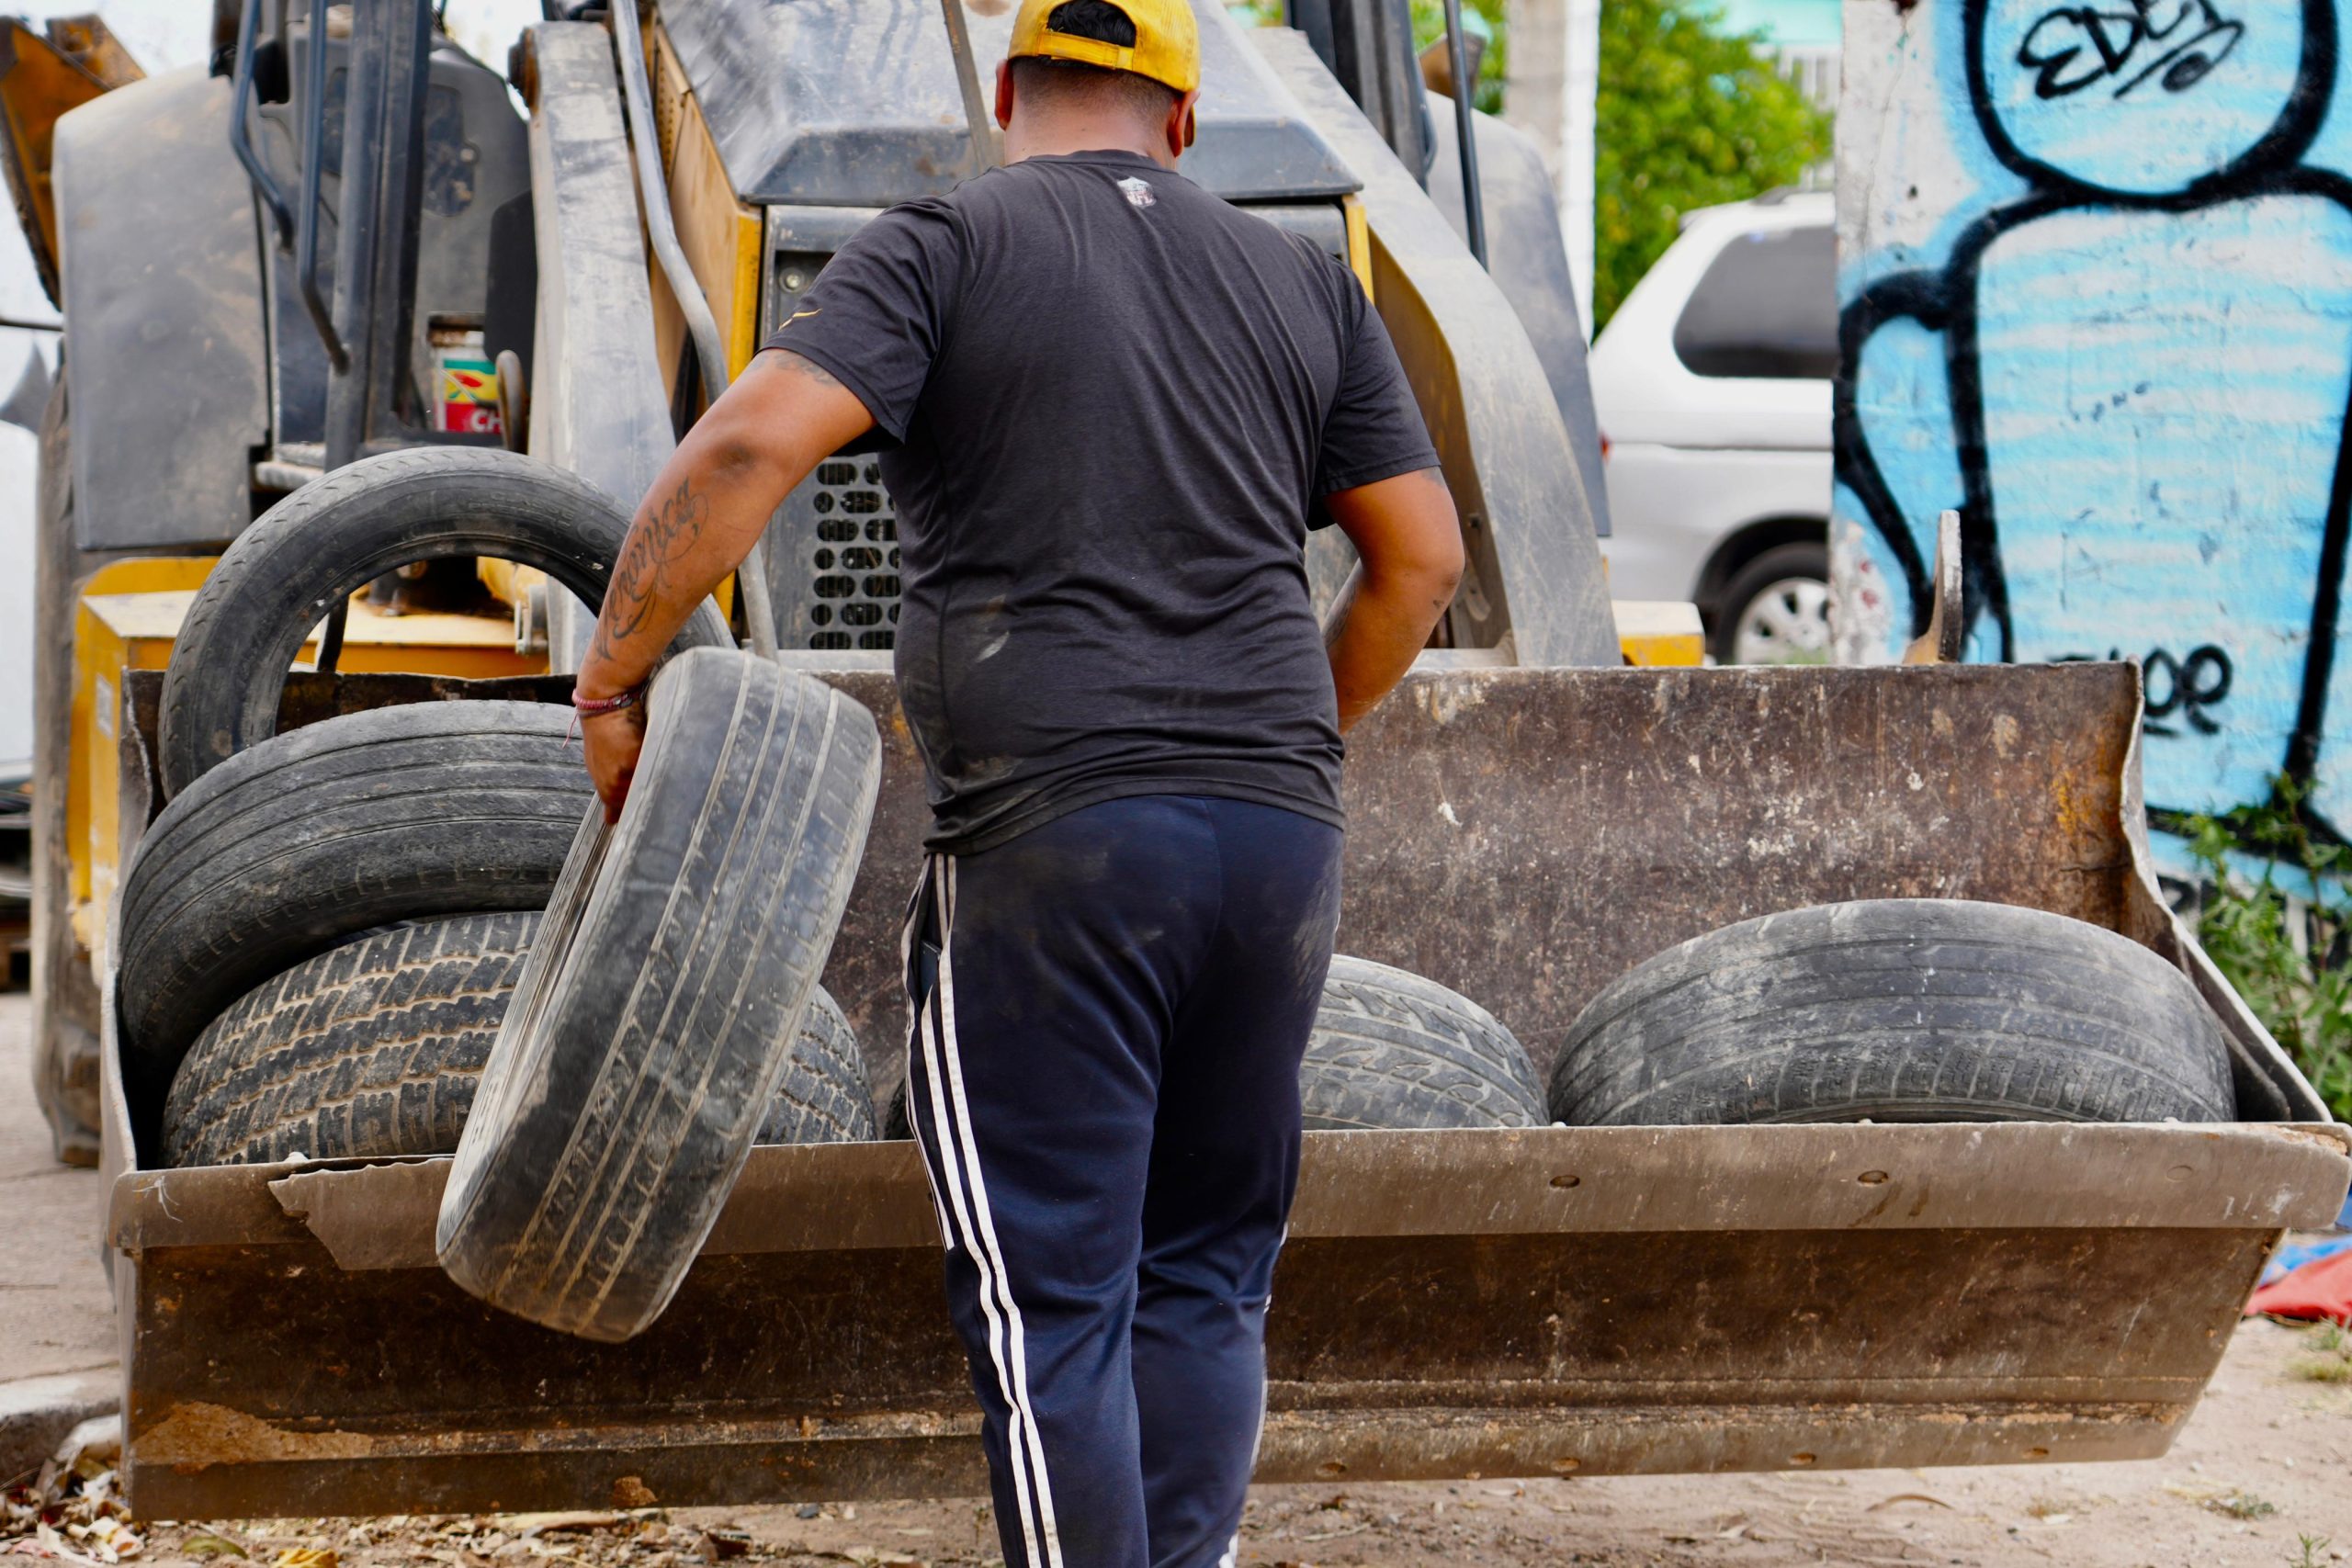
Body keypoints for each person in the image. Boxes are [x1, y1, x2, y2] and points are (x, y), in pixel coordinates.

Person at [572, 0, 1463, 1560]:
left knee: (1053, 1291)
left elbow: (738, 458)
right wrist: (1288, 737)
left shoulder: (939, 242)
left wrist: (611, 671)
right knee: (1206, 1272)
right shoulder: (1306, 283)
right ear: (1184, 121)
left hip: (1054, 839)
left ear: (1004, 92)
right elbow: (1425, 559)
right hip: (1277, 839)